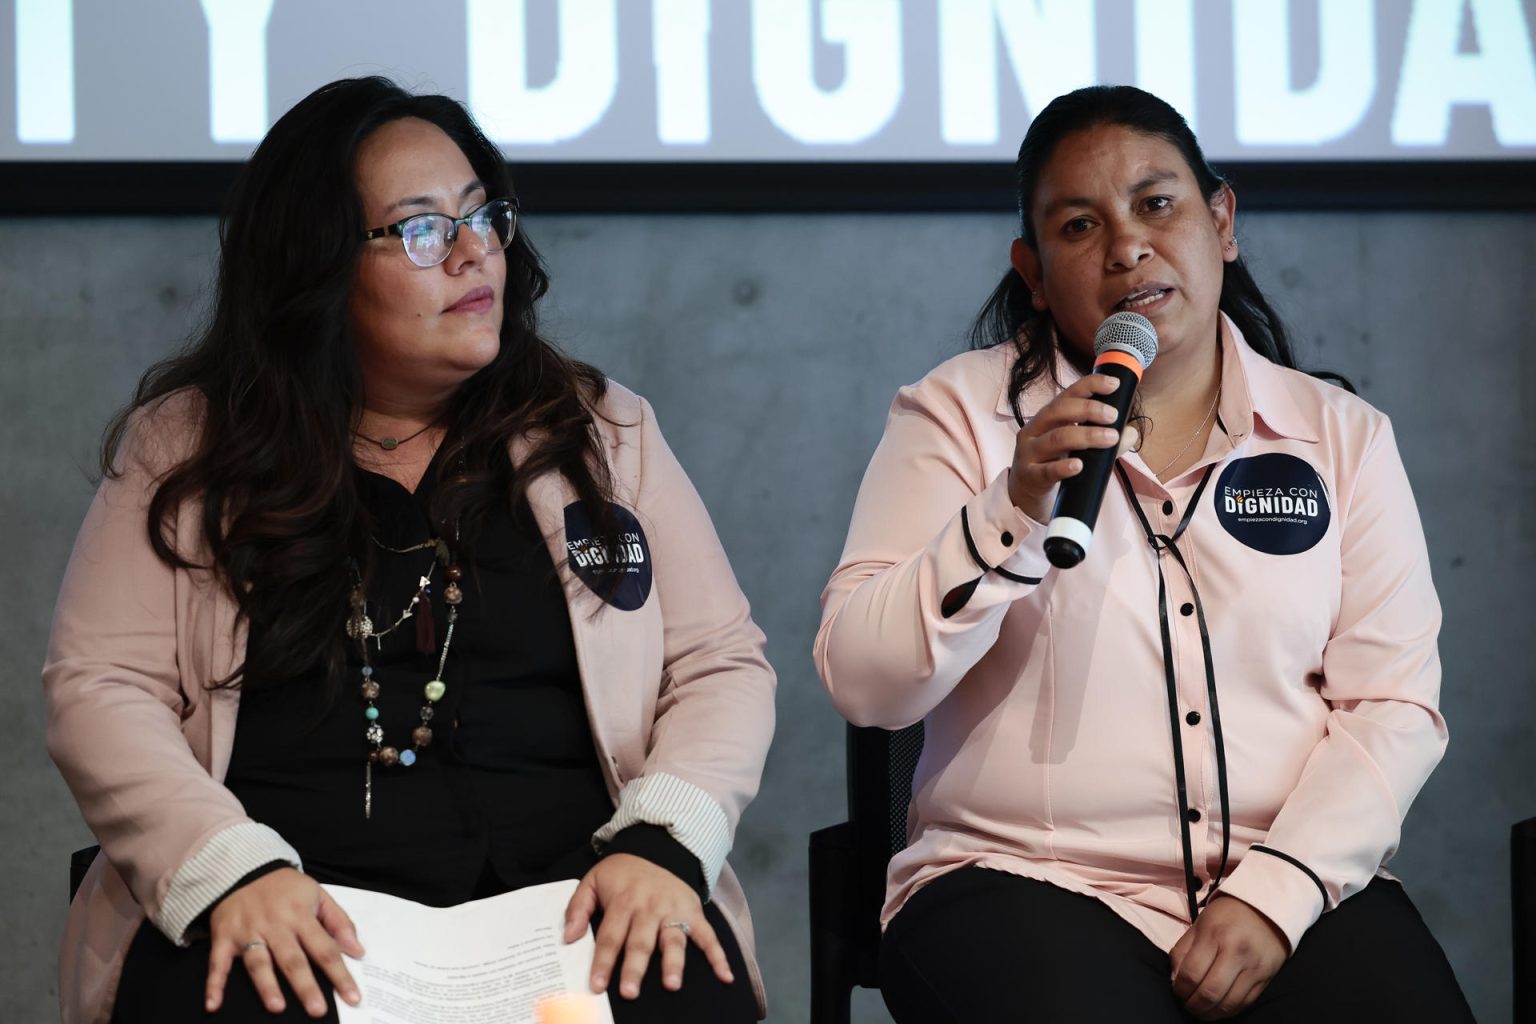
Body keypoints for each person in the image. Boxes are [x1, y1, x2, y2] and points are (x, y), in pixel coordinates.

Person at [44, 77, 773, 1024]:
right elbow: (99, 688)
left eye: (484, 216)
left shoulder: (601, 430)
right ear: (318, 267)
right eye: (423, 230)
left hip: (572, 902)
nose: (476, 253)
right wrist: (227, 871)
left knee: (682, 992)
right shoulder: (187, 447)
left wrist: (663, 845)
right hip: (298, 906)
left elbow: (719, 663)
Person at [814, 85, 1472, 1022]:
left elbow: (1393, 704)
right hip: (1020, 882)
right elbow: (864, 682)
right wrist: (1013, 508)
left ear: (1222, 221)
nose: (1126, 246)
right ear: (1034, 274)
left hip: (1287, 882)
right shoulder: (959, 416)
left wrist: (1275, 893)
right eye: (1080, 226)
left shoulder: (1339, 435)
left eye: (1156, 205)